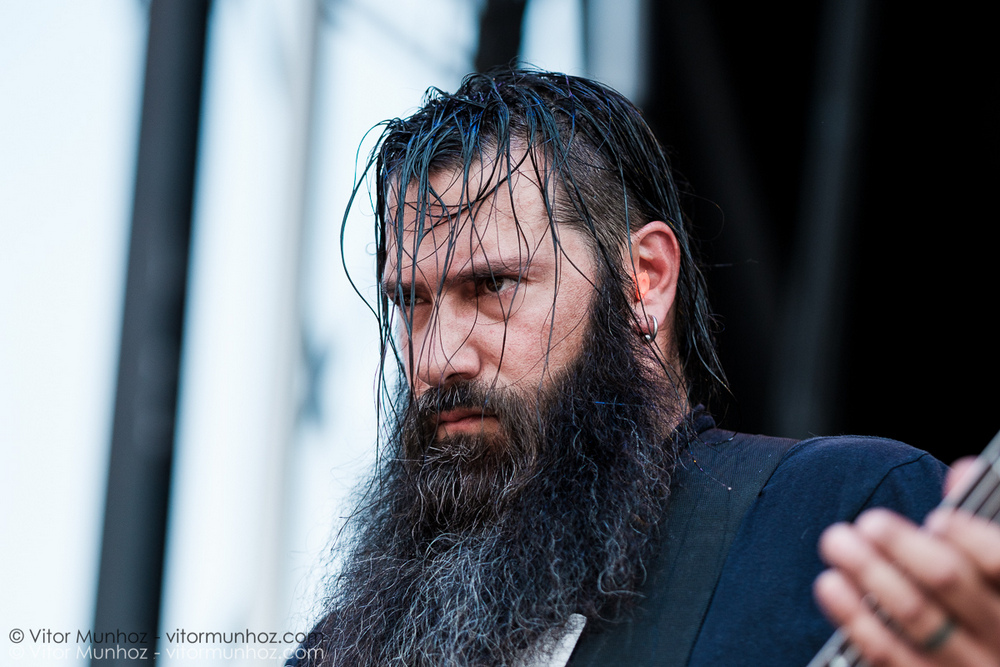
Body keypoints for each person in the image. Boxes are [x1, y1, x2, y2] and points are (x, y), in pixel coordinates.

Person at [291, 69, 1000, 666]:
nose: (439, 356)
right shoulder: (347, 646)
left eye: (493, 285)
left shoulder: (841, 512)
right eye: (411, 302)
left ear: (644, 279)